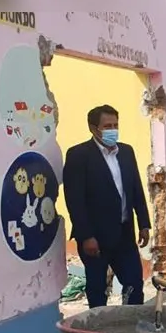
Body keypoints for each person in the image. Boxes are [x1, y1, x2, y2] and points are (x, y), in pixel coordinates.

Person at [63, 104, 151, 308]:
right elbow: (74, 199)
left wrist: (144, 223)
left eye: (115, 125)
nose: (112, 130)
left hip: (125, 234)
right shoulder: (79, 155)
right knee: (97, 289)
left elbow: (136, 188)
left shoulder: (126, 152)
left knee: (134, 284)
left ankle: (130, 327)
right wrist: (86, 236)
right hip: (95, 239)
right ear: (94, 128)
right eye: (107, 126)